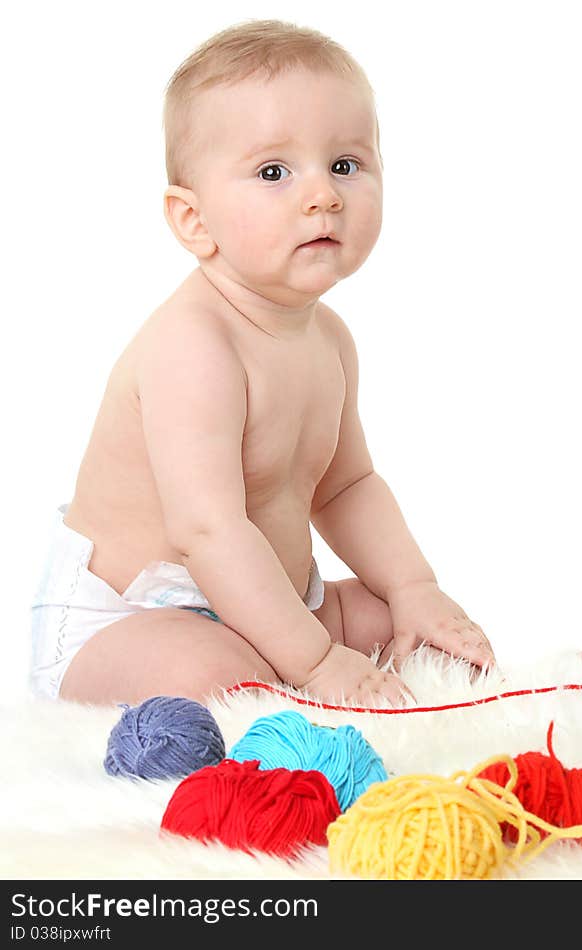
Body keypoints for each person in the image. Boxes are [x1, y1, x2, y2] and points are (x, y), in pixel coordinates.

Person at [29, 19, 494, 707]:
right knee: (215, 680)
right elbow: (207, 530)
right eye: (274, 172)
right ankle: (281, 674)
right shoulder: (193, 347)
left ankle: (313, 655)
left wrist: (412, 588)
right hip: (137, 618)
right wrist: (314, 664)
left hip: (271, 600)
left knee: (402, 630)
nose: (323, 195)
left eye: (345, 165)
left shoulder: (329, 338)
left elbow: (346, 487)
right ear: (194, 221)